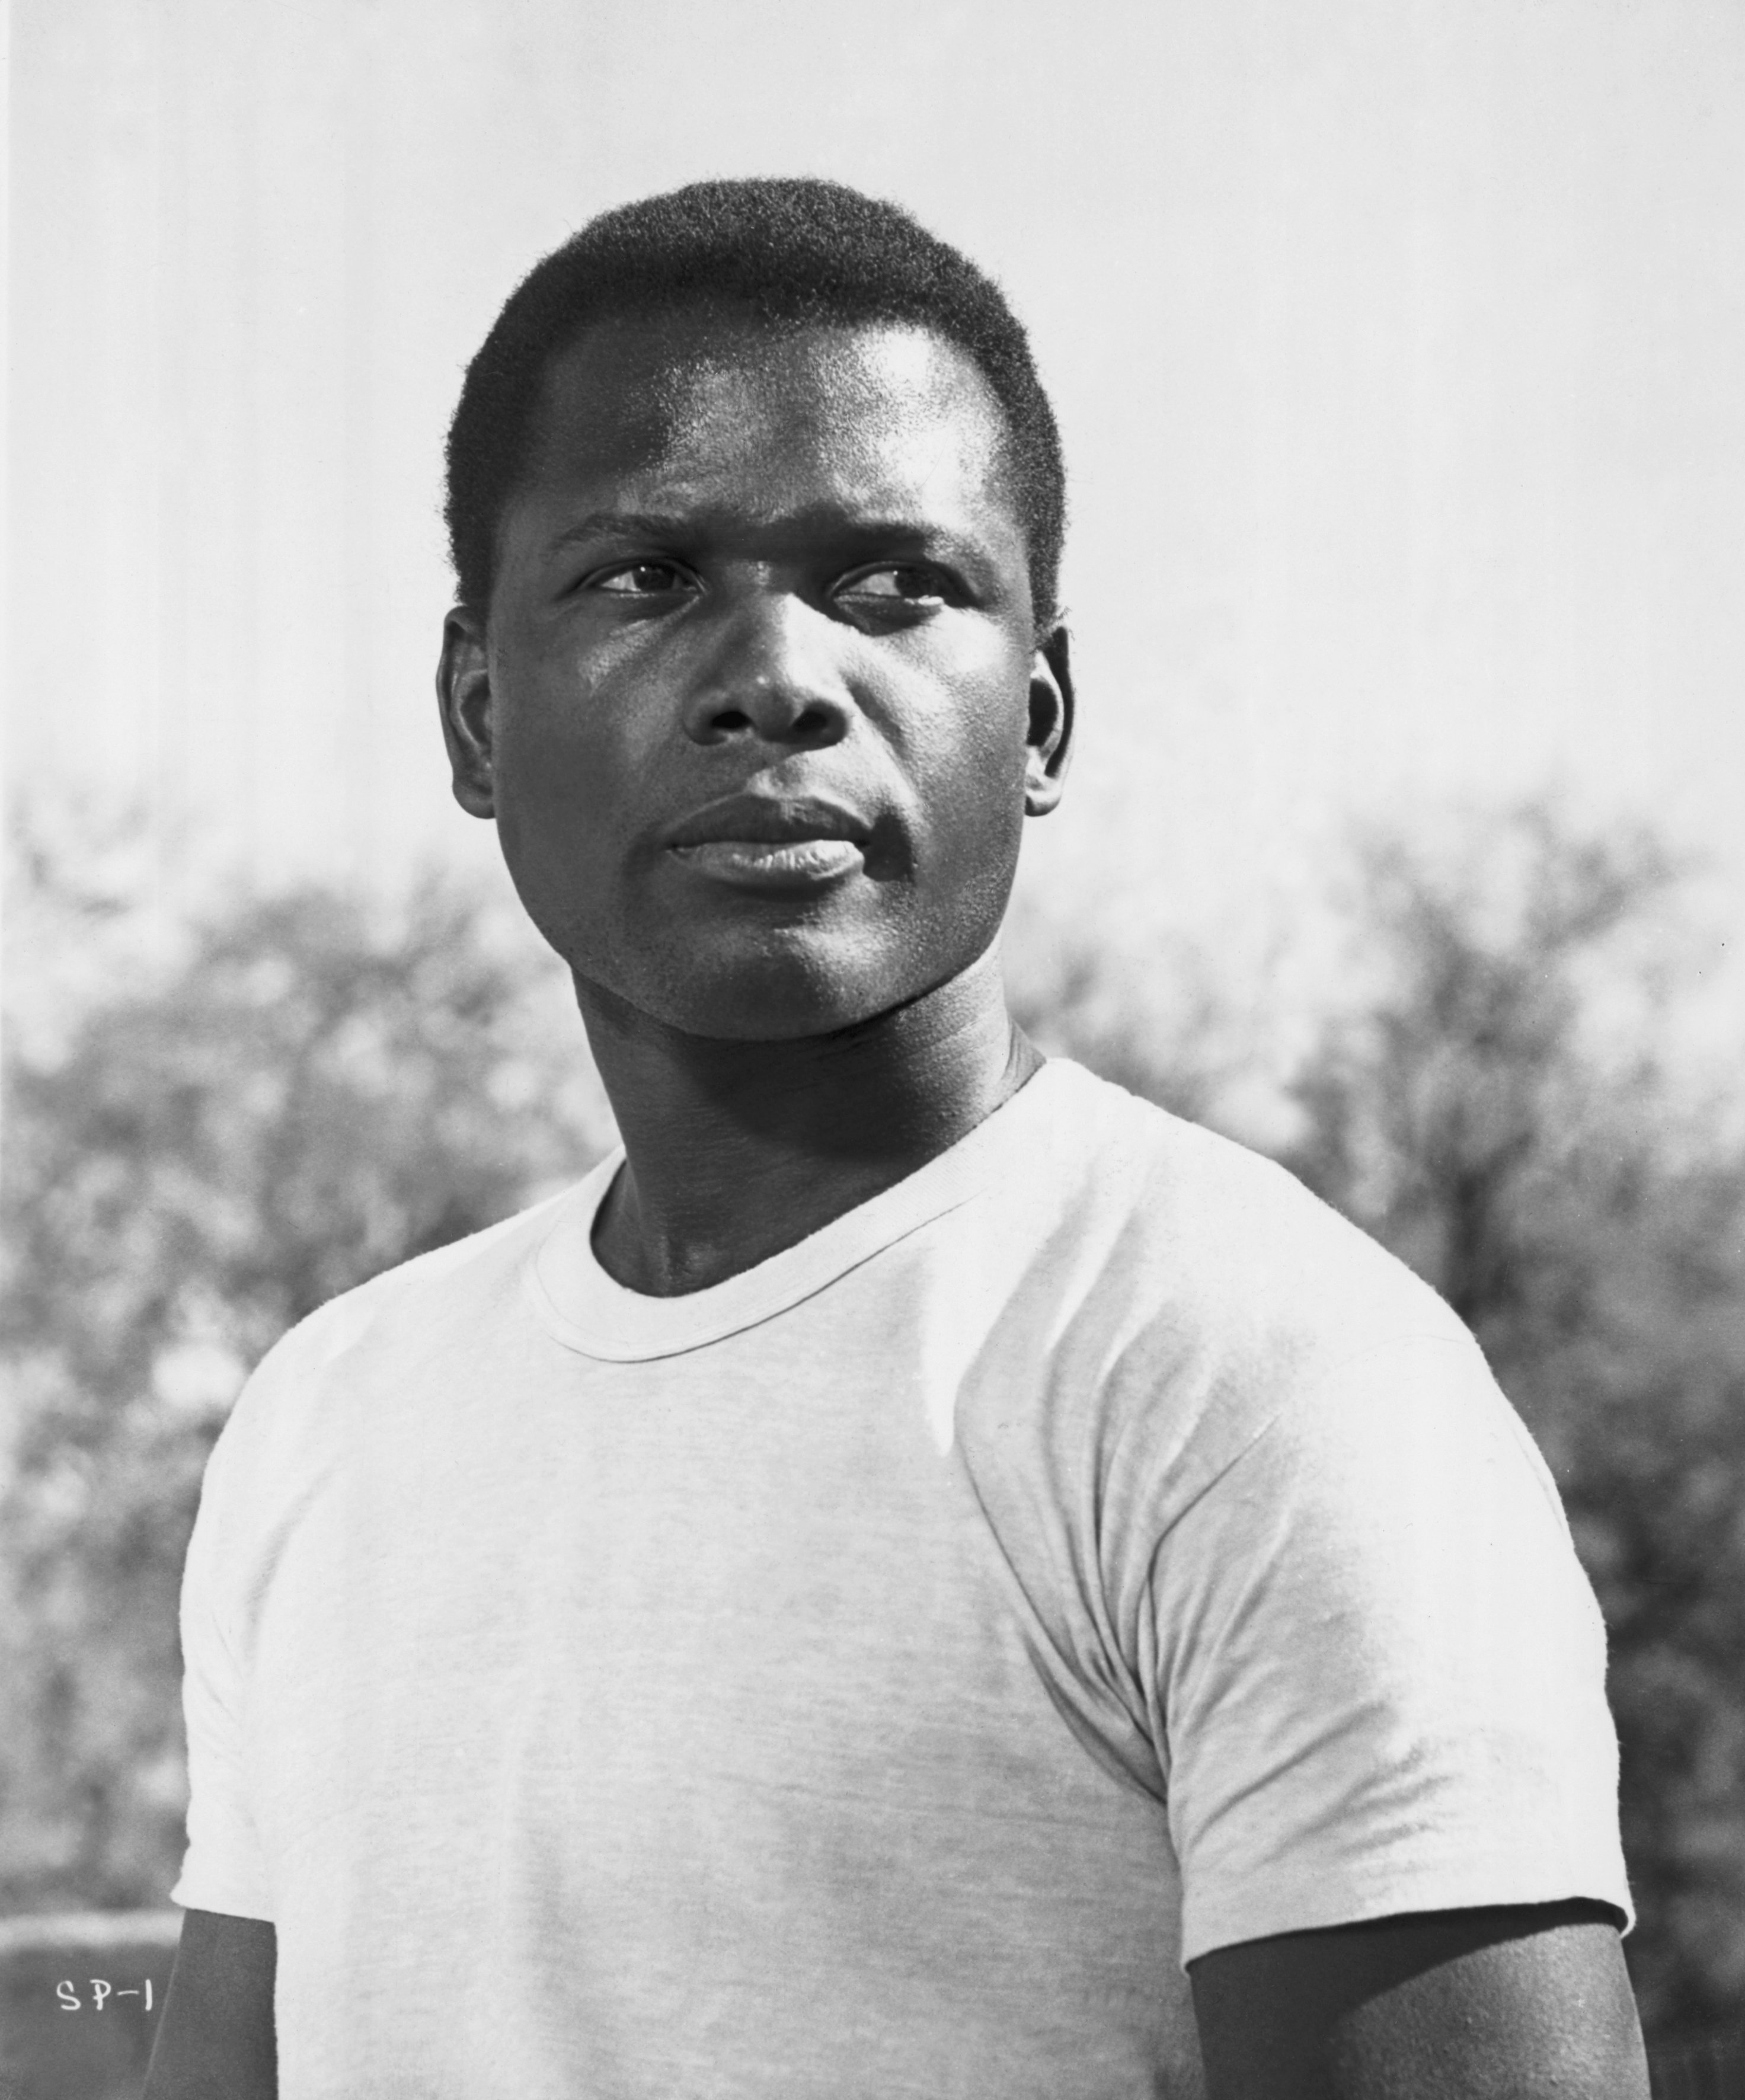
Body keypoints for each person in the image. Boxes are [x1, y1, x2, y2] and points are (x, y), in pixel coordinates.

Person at [144, 177, 1649, 2099]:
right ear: (473, 717)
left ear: (1039, 715)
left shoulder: (1248, 1373)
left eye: (891, 583)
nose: (778, 678)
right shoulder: (327, 1412)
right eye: (644, 577)